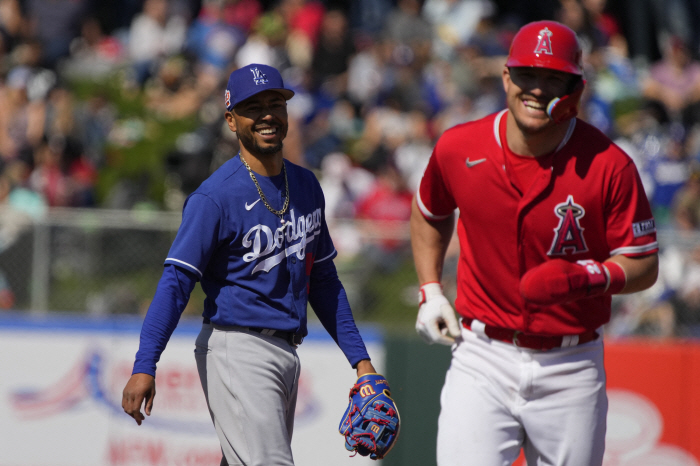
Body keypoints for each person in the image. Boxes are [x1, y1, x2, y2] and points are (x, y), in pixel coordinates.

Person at [410, 20, 659, 466]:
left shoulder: (610, 165)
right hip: (481, 356)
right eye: (527, 74)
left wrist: (590, 276)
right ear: (507, 77)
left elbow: (643, 263)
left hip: (572, 363)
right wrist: (430, 292)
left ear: (575, 87)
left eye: (553, 78)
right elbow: (429, 211)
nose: (538, 89)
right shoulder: (458, 146)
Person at [122, 63, 386, 466]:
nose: (266, 114)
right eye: (253, 106)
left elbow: (325, 281)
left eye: (275, 103)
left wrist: (362, 364)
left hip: (287, 353)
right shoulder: (215, 198)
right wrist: (145, 364)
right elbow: (176, 283)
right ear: (232, 120)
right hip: (236, 347)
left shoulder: (306, 186)